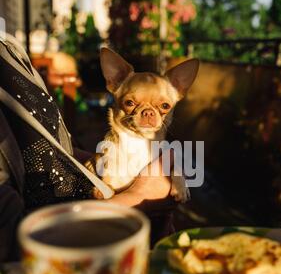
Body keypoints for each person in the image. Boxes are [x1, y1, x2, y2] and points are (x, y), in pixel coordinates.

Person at [0, 37, 175, 262]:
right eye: (132, 103)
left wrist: (95, 161)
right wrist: (138, 198)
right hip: (78, 266)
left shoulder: (8, 49)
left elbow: (46, 148)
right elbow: (14, 240)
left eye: (164, 106)